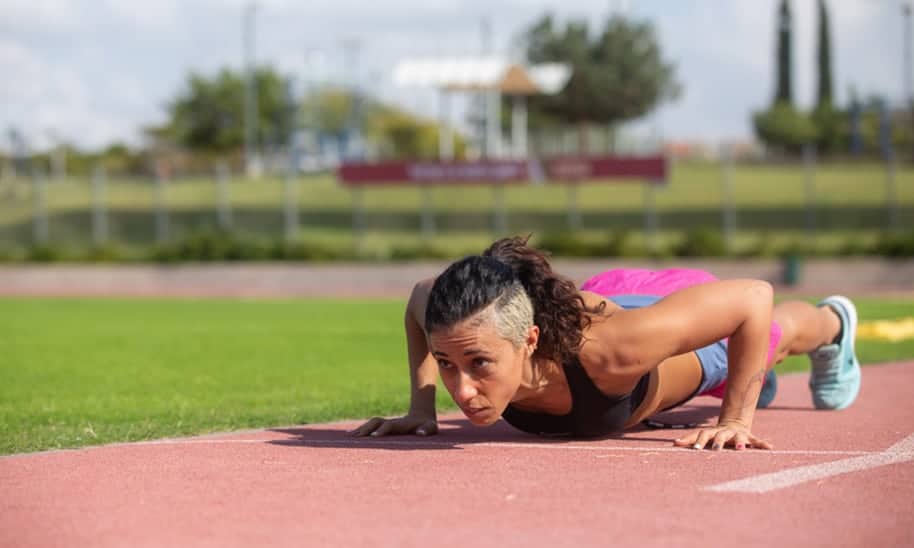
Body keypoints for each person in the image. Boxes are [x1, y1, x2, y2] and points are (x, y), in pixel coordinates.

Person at [351, 236, 861, 450]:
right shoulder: (464, 322)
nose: (461, 391)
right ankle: (752, 382)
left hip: (665, 326)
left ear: (529, 340)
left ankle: (833, 322)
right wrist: (421, 408)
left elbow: (753, 297)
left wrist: (736, 421)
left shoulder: (615, 353)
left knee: (773, 338)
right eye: (447, 364)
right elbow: (420, 297)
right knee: (752, 375)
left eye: (479, 363)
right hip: (604, 295)